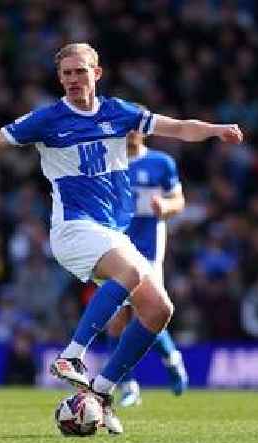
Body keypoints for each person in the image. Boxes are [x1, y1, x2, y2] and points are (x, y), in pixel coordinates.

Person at [0, 43, 243, 434]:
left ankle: (100, 394)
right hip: (74, 228)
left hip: (109, 231)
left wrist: (216, 129)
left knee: (158, 309)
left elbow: (179, 127)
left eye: (79, 72)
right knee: (133, 272)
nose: (72, 80)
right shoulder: (47, 120)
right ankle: (72, 355)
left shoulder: (119, 112)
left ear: (96, 73)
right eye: (66, 74)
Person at [106, 128, 188, 407]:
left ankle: (171, 358)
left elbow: (179, 201)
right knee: (115, 318)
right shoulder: (108, 163)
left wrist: (165, 207)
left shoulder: (160, 163)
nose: (129, 133)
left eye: (135, 127)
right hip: (114, 250)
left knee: (146, 311)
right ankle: (128, 385)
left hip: (149, 252)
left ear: (144, 131)